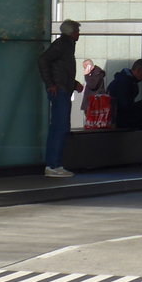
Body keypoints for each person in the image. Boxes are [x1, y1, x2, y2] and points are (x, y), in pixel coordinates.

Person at [36, 19, 83, 178]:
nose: (79, 34)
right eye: (77, 31)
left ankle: (53, 164)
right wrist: (51, 84)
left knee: (58, 127)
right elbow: (43, 60)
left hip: (61, 88)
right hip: (60, 90)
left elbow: (60, 69)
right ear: (72, 33)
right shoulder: (63, 45)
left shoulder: (64, 45)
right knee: (61, 127)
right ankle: (54, 165)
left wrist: (73, 83)